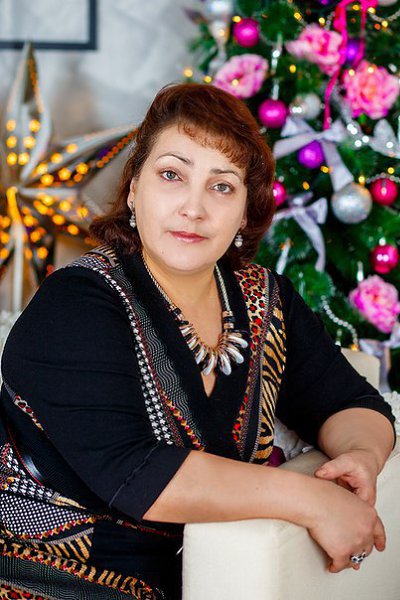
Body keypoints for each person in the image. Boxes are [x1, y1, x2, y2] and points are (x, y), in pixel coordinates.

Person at [0, 82, 396, 600]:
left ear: (245, 212)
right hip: (38, 573)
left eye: (222, 186)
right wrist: (312, 499)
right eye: (172, 175)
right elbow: (134, 471)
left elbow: (352, 401)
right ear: (134, 190)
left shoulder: (263, 298)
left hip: (196, 578)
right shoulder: (75, 303)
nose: (194, 207)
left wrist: (362, 459)